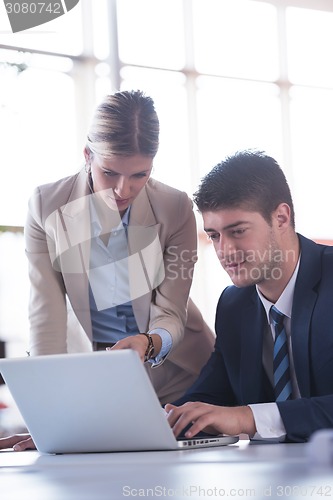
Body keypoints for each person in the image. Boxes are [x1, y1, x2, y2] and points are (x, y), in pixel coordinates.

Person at [0, 90, 214, 451]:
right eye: (109, 172)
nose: (123, 189)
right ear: (87, 156)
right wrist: (50, 419)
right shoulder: (46, 206)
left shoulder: (175, 208)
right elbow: (46, 318)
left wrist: (148, 343)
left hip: (178, 377)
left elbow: (171, 313)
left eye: (139, 175)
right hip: (96, 383)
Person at [165, 149, 333, 443]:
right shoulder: (234, 305)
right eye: (215, 235)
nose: (224, 251)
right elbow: (207, 399)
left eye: (238, 231)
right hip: (270, 478)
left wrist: (248, 417)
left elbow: (239, 416)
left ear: (281, 218)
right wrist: (149, 422)